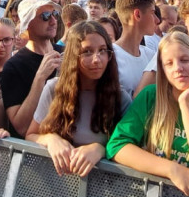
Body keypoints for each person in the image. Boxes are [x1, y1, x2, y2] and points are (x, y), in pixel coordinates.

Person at [108, 32, 189, 196]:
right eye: (169, 63)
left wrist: (185, 105)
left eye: (185, 60)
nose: (178, 68)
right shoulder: (149, 97)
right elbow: (117, 147)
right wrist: (172, 169)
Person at [27, 22, 131, 177]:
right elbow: (30, 136)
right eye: (87, 52)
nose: (97, 59)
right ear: (73, 56)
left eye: (102, 51)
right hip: (58, 184)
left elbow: (130, 147)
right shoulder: (54, 89)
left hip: (104, 188)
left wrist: (100, 149)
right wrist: (50, 139)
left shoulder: (120, 98)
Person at [0, 0, 63, 138]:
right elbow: (21, 126)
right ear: (28, 23)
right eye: (46, 16)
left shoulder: (65, 53)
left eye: (55, 14)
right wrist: (40, 78)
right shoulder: (14, 66)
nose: (53, 21)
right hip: (32, 149)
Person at [112, 0, 158, 95]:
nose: (157, 20)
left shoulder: (151, 55)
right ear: (137, 15)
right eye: (152, 13)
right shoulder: (111, 57)